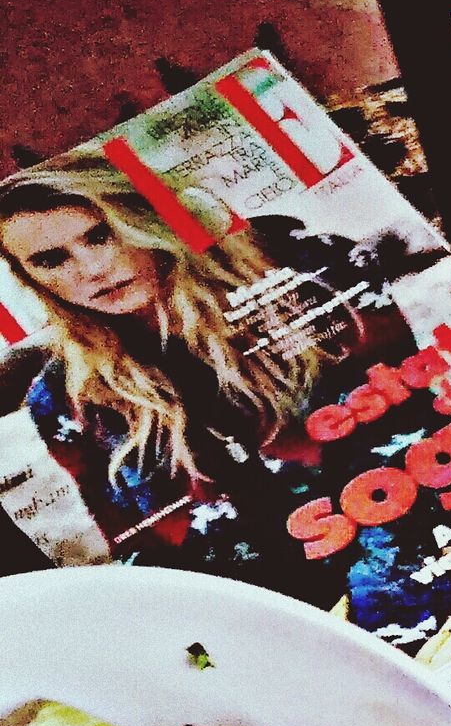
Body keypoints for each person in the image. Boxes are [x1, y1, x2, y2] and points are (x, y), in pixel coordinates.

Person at [0, 150, 424, 604]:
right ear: (31, 278)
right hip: (270, 612)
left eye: (101, 235)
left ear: (146, 217)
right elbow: (143, 549)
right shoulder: (65, 398)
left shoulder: (305, 268)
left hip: (421, 529)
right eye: (50, 260)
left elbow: (422, 408)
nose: (90, 270)